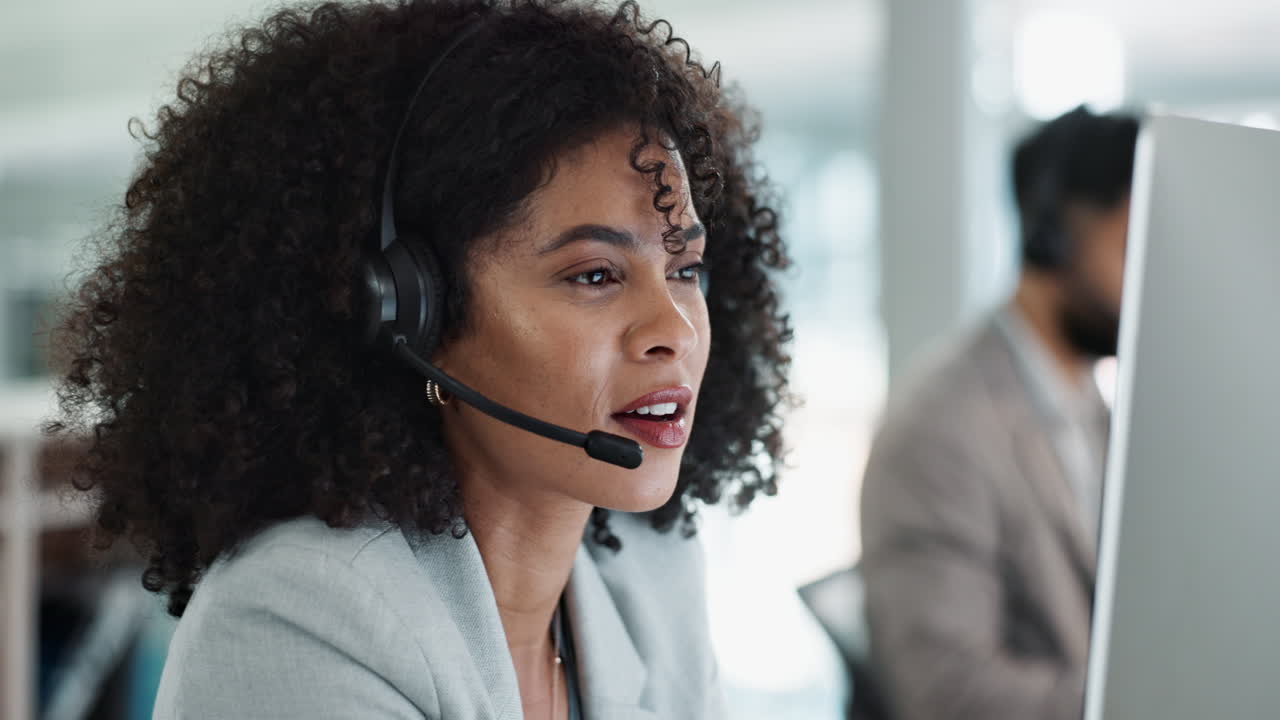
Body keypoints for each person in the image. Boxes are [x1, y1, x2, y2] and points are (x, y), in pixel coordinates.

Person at [45, 1, 793, 718]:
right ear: (409, 312)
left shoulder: (650, 572)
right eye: (594, 275)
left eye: (685, 270)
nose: (675, 330)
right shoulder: (305, 618)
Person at [858, 106, 1140, 720]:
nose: (1148, 280)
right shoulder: (941, 428)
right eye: (1129, 247)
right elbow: (947, 694)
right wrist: (1153, 695)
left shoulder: (1091, 405)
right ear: (1053, 234)